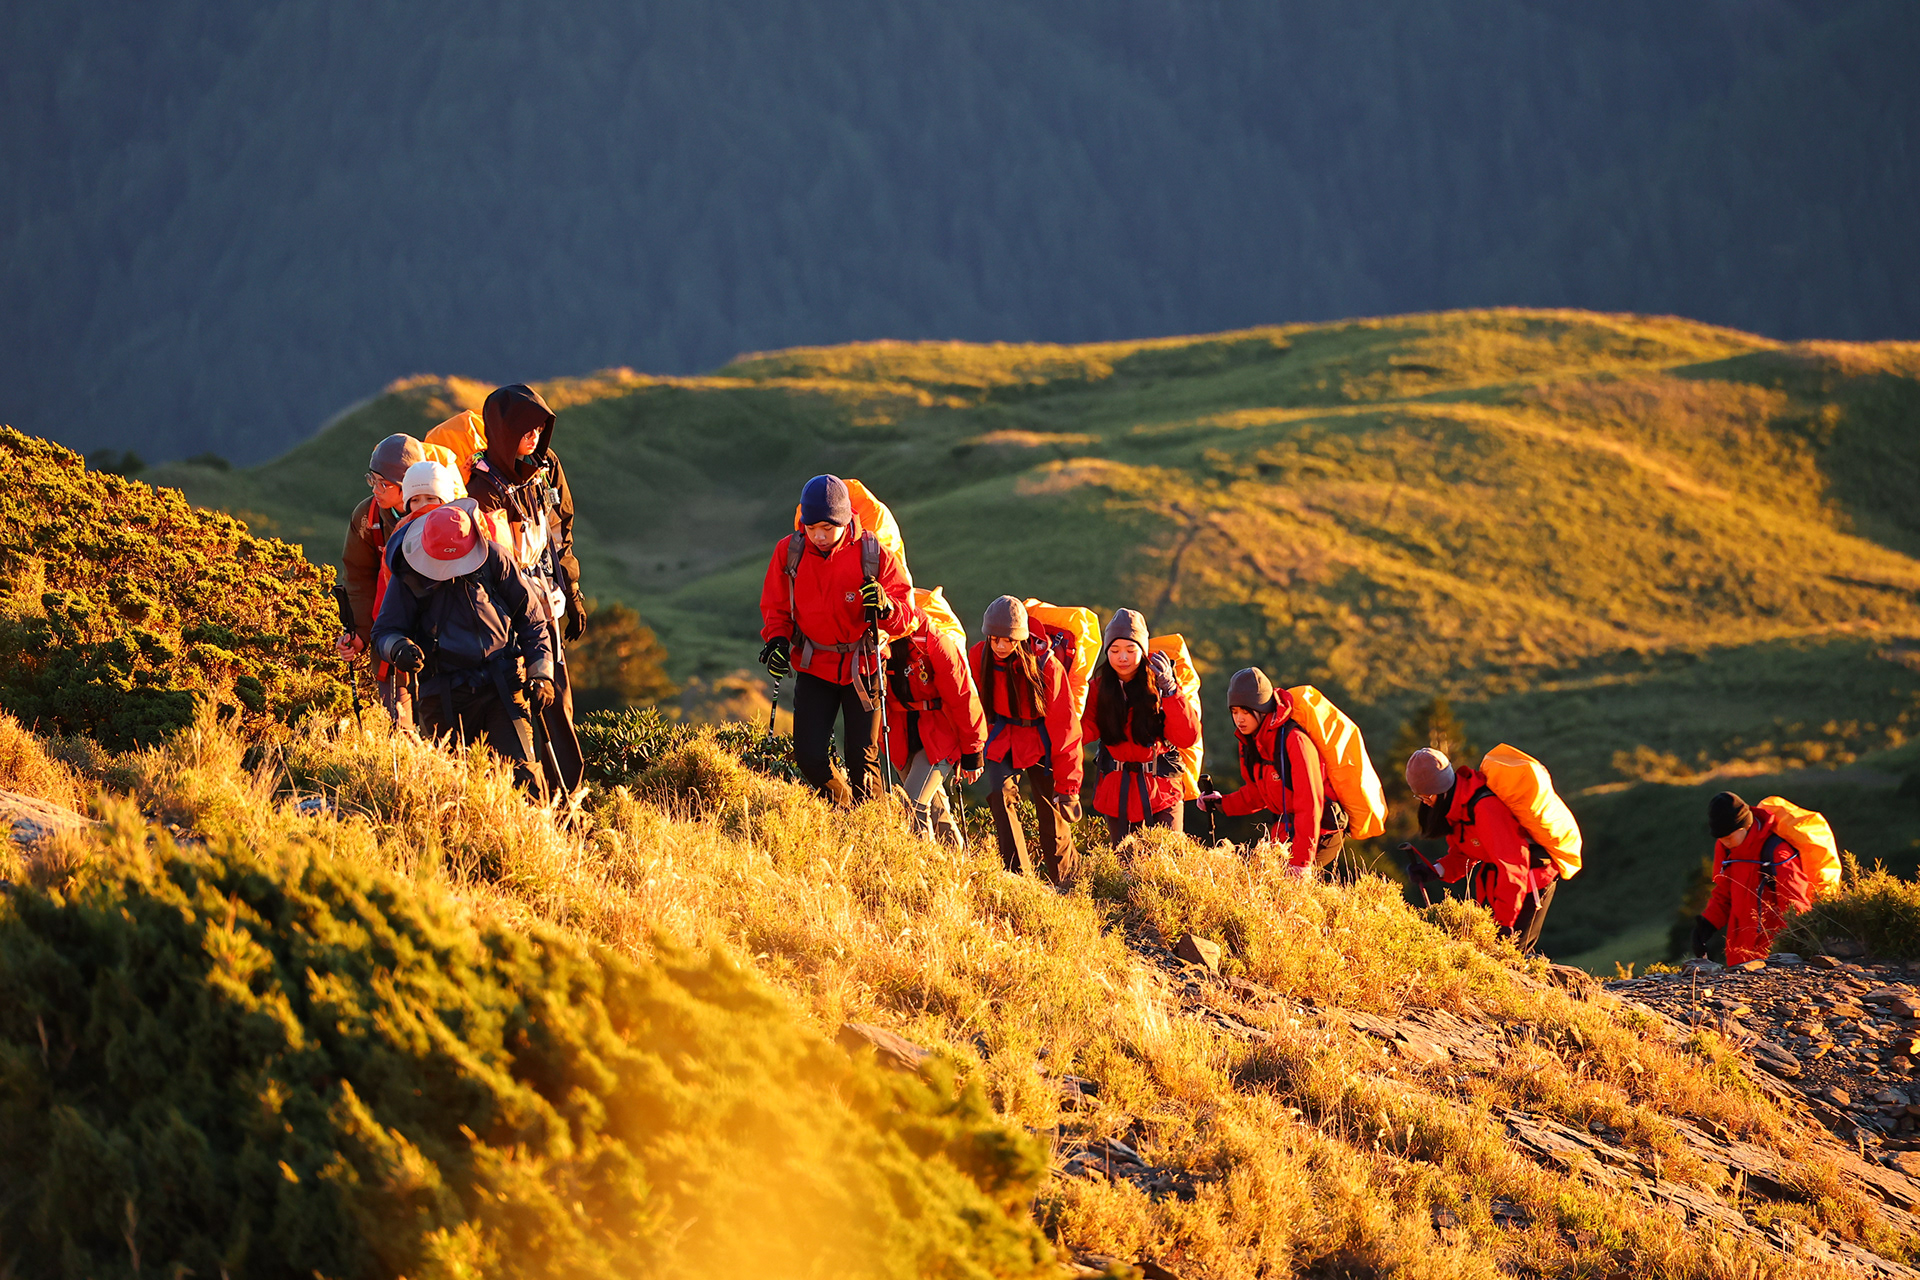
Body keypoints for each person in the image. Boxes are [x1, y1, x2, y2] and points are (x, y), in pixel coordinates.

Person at [758, 474, 919, 806]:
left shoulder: (873, 554)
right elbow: (776, 607)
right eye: (811, 527)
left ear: (845, 521)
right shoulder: (789, 552)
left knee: (863, 763)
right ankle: (846, 811)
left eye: (827, 528)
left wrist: (887, 607)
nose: (818, 535)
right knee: (809, 757)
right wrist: (777, 640)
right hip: (814, 664)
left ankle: (873, 825)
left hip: (864, 667)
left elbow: (909, 616)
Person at [371, 504, 555, 792]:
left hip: (502, 686)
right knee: (450, 788)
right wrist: (398, 648)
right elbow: (384, 632)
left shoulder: (494, 558)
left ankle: (533, 823)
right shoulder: (409, 573)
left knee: (524, 777)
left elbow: (531, 620)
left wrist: (541, 674)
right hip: (442, 692)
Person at [466, 384, 585, 794]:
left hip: (546, 602)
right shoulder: (483, 487)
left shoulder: (545, 467)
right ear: (503, 430)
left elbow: (559, 529)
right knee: (520, 705)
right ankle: (532, 795)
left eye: (540, 427)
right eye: (525, 428)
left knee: (557, 699)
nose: (535, 436)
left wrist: (573, 590)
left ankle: (567, 794)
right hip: (509, 612)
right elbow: (490, 559)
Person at [968, 596, 1084, 881]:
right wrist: (967, 751)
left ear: (1020, 638)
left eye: (1007, 640)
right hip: (1002, 737)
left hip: (1042, 741)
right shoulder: (979, 656)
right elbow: (970, 706)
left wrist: (1069, 787)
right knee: (1000, 795)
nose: (1000, 646)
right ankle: (1018, 879)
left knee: (1051, 813)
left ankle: (1066, 883)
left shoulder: (1047, 666)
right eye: (995, 639)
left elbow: (1066, 728)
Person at [1195, 668, 1346, 878]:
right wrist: (1222, 803)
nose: (1239, 719)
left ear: (1262, 709)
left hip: (1321, 831)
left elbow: (1309, 804)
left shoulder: (1295, 741)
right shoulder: (1250, 742)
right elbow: (1258, 794)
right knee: (1261, 879)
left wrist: (1301, 863)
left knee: (1287, 884)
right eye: (1234, 711)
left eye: (1246, 711)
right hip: (1287, 828)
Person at [1403, 747, 1559, 950]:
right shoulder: (1457, 807)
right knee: (1492, 954)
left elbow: (1513, 866)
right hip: (1500, 884)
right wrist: (1433, 870)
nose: (1426, 804)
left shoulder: (1484, 808)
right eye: (1420, 798)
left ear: (1441, 790)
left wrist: (1505, 923)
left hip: (1529, 882)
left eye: (1427, 797)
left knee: (1511, 956)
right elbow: (1464, 855)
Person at [1082, 609, 1199, 844]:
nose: (1122, 657)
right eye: (1115, 650)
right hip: (1117, 792)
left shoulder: (1161, 685)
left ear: (1143, 651)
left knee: (1167, 858)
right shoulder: (1097, 688)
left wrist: (1170, 690)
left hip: (1162, 791)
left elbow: (1187, 737)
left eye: (1130, 649)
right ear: (1106, 652)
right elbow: (1083, 731)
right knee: (1125, 861)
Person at [339, 433, 432, 718]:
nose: (375, 489)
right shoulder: (367, 516)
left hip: (438, 640)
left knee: (439, 725)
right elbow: (358, 577)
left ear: (408, 485)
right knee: (398, 723)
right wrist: (361, 634)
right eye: (372, 480)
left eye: (384, 483)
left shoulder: (442, 517)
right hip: (389, 642)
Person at [883, 611, 986, 848]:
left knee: (912, 803)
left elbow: (962, 696)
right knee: (938, 811)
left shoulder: (934, 642)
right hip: (901, 734)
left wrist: (973, 752)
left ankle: (926, 864)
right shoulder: (879, 639)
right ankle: (959, 862)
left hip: (940, 733)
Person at [1688, 792, 1818, 965]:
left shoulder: (1777, 852)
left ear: (1745, 826)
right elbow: (1724, 893)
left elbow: (1795, 906)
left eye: (1728, 837)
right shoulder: (1727, 849)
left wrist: (1790, 950)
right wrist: (1707, 924)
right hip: (1738, 956)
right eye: (1720, 838)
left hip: (1775, 957)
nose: (1725, 842)